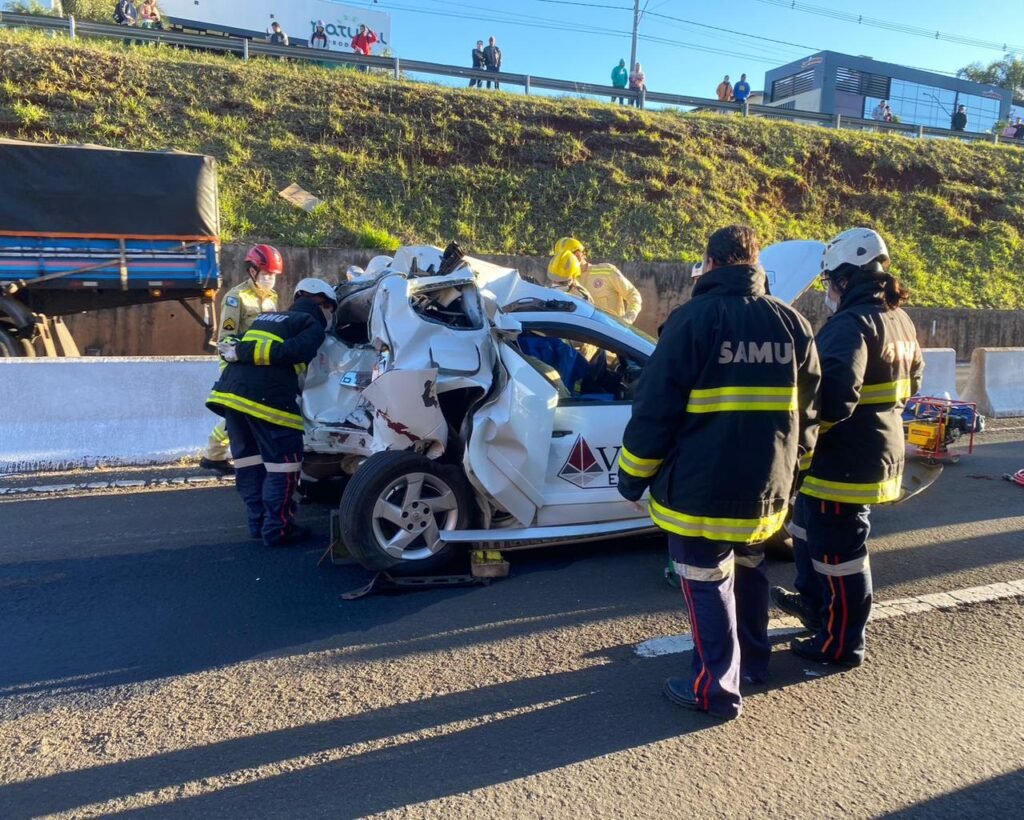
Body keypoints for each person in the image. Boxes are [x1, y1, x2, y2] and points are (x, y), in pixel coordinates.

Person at [617, 225, 820, 720]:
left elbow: (654, 410)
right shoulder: (792, 323)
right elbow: (810, 413)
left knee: (705, 579)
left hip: (700, 491)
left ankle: (715, 690)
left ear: (709, 263)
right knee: (748, 568)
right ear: (756, 265)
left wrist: (631, 477)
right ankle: (752, 664)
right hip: (765, 489)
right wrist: (794, 473)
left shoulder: (691, 321)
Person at [772, 228, 923, 669]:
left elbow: (834, 399)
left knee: (840, 556)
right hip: (871, 452)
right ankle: (814, 604)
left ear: (844, 278)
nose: (827, 291)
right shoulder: (899, 319)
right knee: (805, 527)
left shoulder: (851, 325)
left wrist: (801, 440)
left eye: (828, 281)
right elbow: (914, 381)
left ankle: (841, 643)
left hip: (845, 461)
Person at [207, 278, 337, 547]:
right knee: (284, 465)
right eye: (330, 309)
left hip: (231, 397)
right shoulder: (310, 324)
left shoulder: (268, 318)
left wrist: (241, 350)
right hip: (266, 398)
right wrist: (246, 351)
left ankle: (258, 522)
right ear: (322, 303)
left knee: (249, 464)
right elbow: (294, 351)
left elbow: (231, 343)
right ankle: (278, 529)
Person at [200, 245, 282, 475]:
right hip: (237, 363)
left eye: (273, 275)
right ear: (252, 271)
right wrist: (234, 364)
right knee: (239, 412)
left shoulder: (272, 297)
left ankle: (214, 455)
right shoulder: (236, 298)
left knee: (245, 412)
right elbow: (226, 338)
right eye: (266, 274)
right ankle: (214, 454)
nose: (269, 279)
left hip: (259, 363)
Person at [550, 236, 642, 324]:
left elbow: (633, 295)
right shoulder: (564, 282)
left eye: (565, 258)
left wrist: (627, 320)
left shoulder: (607, 271)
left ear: (578, 255)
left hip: (611, 333)